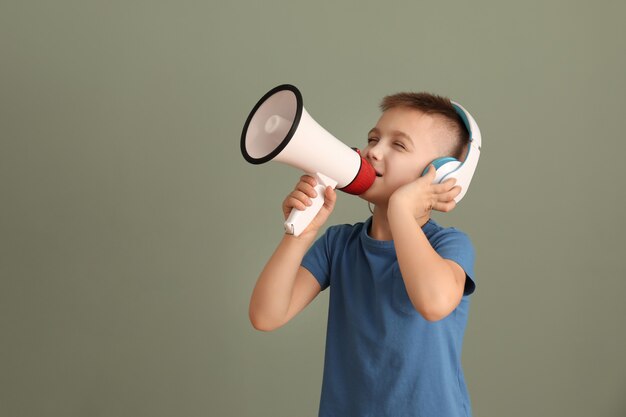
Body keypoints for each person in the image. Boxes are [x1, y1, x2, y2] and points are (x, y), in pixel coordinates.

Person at [249, 91, 477, 417]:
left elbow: (434, 302)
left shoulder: (450, 246)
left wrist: (400, 208)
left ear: (439, 174)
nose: (373, 151)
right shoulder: (338, 244)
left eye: (398, 145)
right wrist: (300, 235)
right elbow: (266, 315)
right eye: (373, 138)